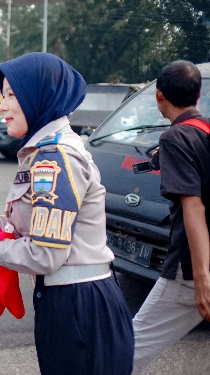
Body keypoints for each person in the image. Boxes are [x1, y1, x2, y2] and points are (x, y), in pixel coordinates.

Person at [0, 52, 134, 375]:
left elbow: (45, 254)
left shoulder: (55, 159)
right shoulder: (41, 153)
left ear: (38, 96)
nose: (2, 106)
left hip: (79, 307)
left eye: (11, 95)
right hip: (65, 301)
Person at [131, 60, 210, 374]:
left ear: (158, 95)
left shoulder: (174, 138)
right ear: (198, 94)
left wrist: (201, 279)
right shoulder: (204, 130)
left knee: (128, 349)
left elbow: (194, 206)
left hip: (189, 270)